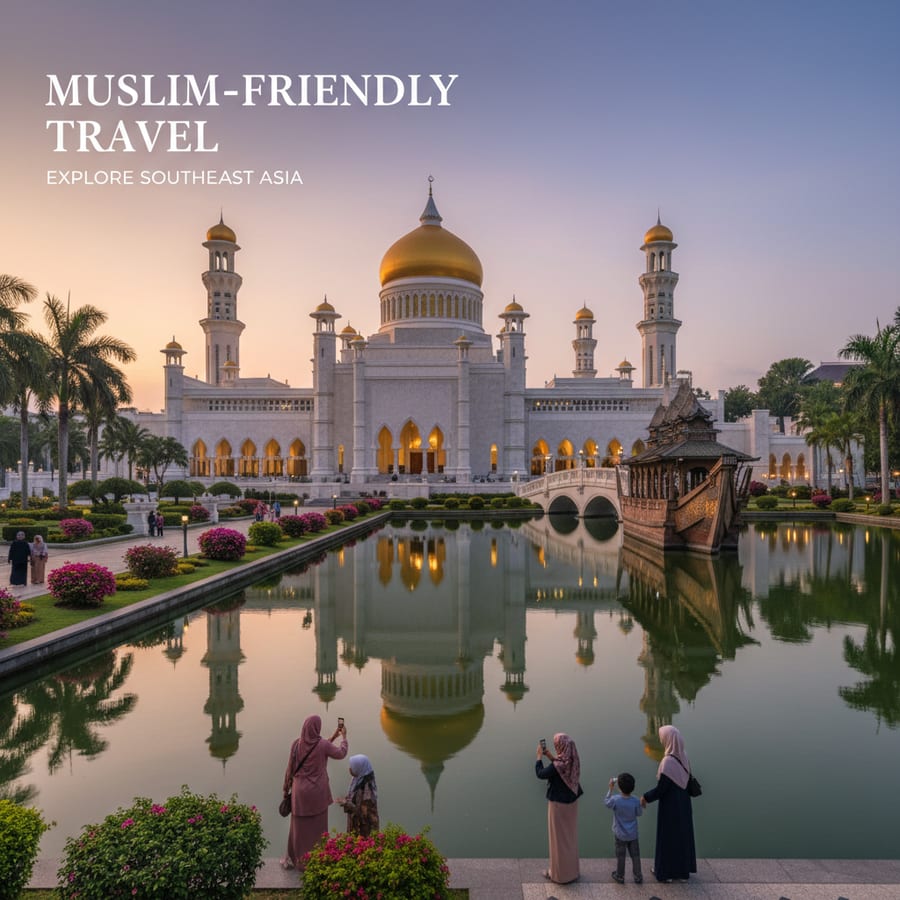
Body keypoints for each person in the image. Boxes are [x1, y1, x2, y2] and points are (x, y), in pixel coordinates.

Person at [281, 714, 348, 870]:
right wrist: (343, 737)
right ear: (317, 728)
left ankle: (297, 859)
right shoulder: (323, 745)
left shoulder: (296, 745)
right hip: (317, 792)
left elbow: (289, 770)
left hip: (299, 794)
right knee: (318, 828)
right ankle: (318, 858)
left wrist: (285, 790)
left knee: (298, 827)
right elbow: (340, 753)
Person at [640, 725, 697, 883]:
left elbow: (661, 789)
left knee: (668, 838)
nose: (660, 739)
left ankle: (665, 872)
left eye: (662, 737)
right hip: (684, 804)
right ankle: (682, 872)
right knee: (682, 837)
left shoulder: (668, 762)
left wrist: (645, 797)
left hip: (671, 806)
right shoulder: (683, 756)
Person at [535, 732, 583, 884]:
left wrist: (538, 758)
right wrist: (550, 756)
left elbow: (541, 774)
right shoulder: (571, 760)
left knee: (557, 839)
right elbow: (560, 768)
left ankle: (558, 875)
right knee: (569, 838)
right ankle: (572, 872)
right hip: (572, 803)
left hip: (558, 805)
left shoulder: (558, 765)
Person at [605, 772, 643, 884]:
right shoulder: (636, 800)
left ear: (619, 787)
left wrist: (610, 789)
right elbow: (639, 813)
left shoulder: (615, 800)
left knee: (621, 856)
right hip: (633, 834)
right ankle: (638, 876)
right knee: (635, 855)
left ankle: (620, 876)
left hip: (620, 835)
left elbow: (606, 802)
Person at [335, 754, 379, 836]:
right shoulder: (359, 778)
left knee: (361, 846)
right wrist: (347, 799)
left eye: (353, 767)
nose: (350, 769)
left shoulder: (367, 789)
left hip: (363, 830)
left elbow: (364, 815)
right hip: (356, 824)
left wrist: (346, 803)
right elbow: (354, 796)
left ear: (359, 768)